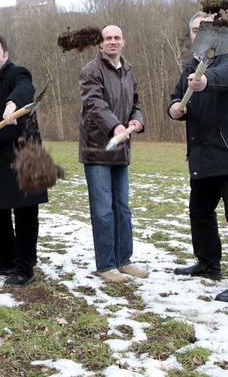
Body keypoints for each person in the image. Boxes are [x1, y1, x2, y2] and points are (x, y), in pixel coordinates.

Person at [168, 11, 228, 303]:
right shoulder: (189, 66)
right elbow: (176, 96)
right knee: (200, 212)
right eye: (195, 29)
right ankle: (208, 264)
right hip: (202, 154)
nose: (199, 33)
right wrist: (174, 108)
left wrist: (206, 80)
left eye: (204, 29)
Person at [0, 34, 48, 287]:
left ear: (5, 54)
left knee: (25, 211)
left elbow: (25, 88)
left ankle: (25, 267)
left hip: (24, 151)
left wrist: (12, 102)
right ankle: (4, 260)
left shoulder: (18, 73)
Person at [78, 25, 148, 283]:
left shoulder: (128, 72)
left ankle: (124, 261)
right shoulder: (91, 71)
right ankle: (106, 265)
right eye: (108, 38)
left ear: (123, 41)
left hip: (122, 150)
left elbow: (136, 103)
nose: (112, 42)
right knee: (103, 211)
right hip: (97, 150)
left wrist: (136, 120)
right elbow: (94, 104)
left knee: (123, 209)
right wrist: (115, 125)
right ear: (101, 43)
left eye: (117, 37)